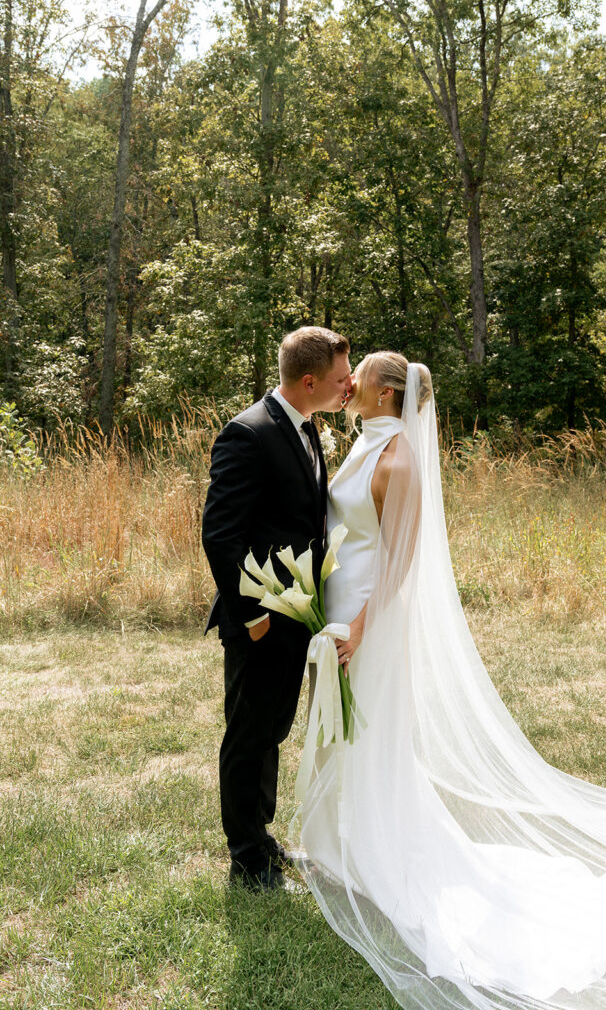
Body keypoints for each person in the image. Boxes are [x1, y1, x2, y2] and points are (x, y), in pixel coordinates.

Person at [291, 352, 606, 1009]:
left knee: (371, 730)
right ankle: (336, 840)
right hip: (338, 601)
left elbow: (400, 563)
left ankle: (378, 849)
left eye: (359, 377)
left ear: (388, 395)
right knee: (338, 723)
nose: (347, 383)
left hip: (370, 617)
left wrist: (359, 625)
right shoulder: (363, 445)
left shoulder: (399, 462)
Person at [202, 326, 352, 891]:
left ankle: (262, 839)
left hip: (297, 614)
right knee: (249, 735)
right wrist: (253, 615)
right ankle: (247, 858)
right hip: (260, 618)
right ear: (309, 381)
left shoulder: (306, 427)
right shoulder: (249, 433)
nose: (348, 386)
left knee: (273, 729)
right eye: (341, 380)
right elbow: (221, 536)